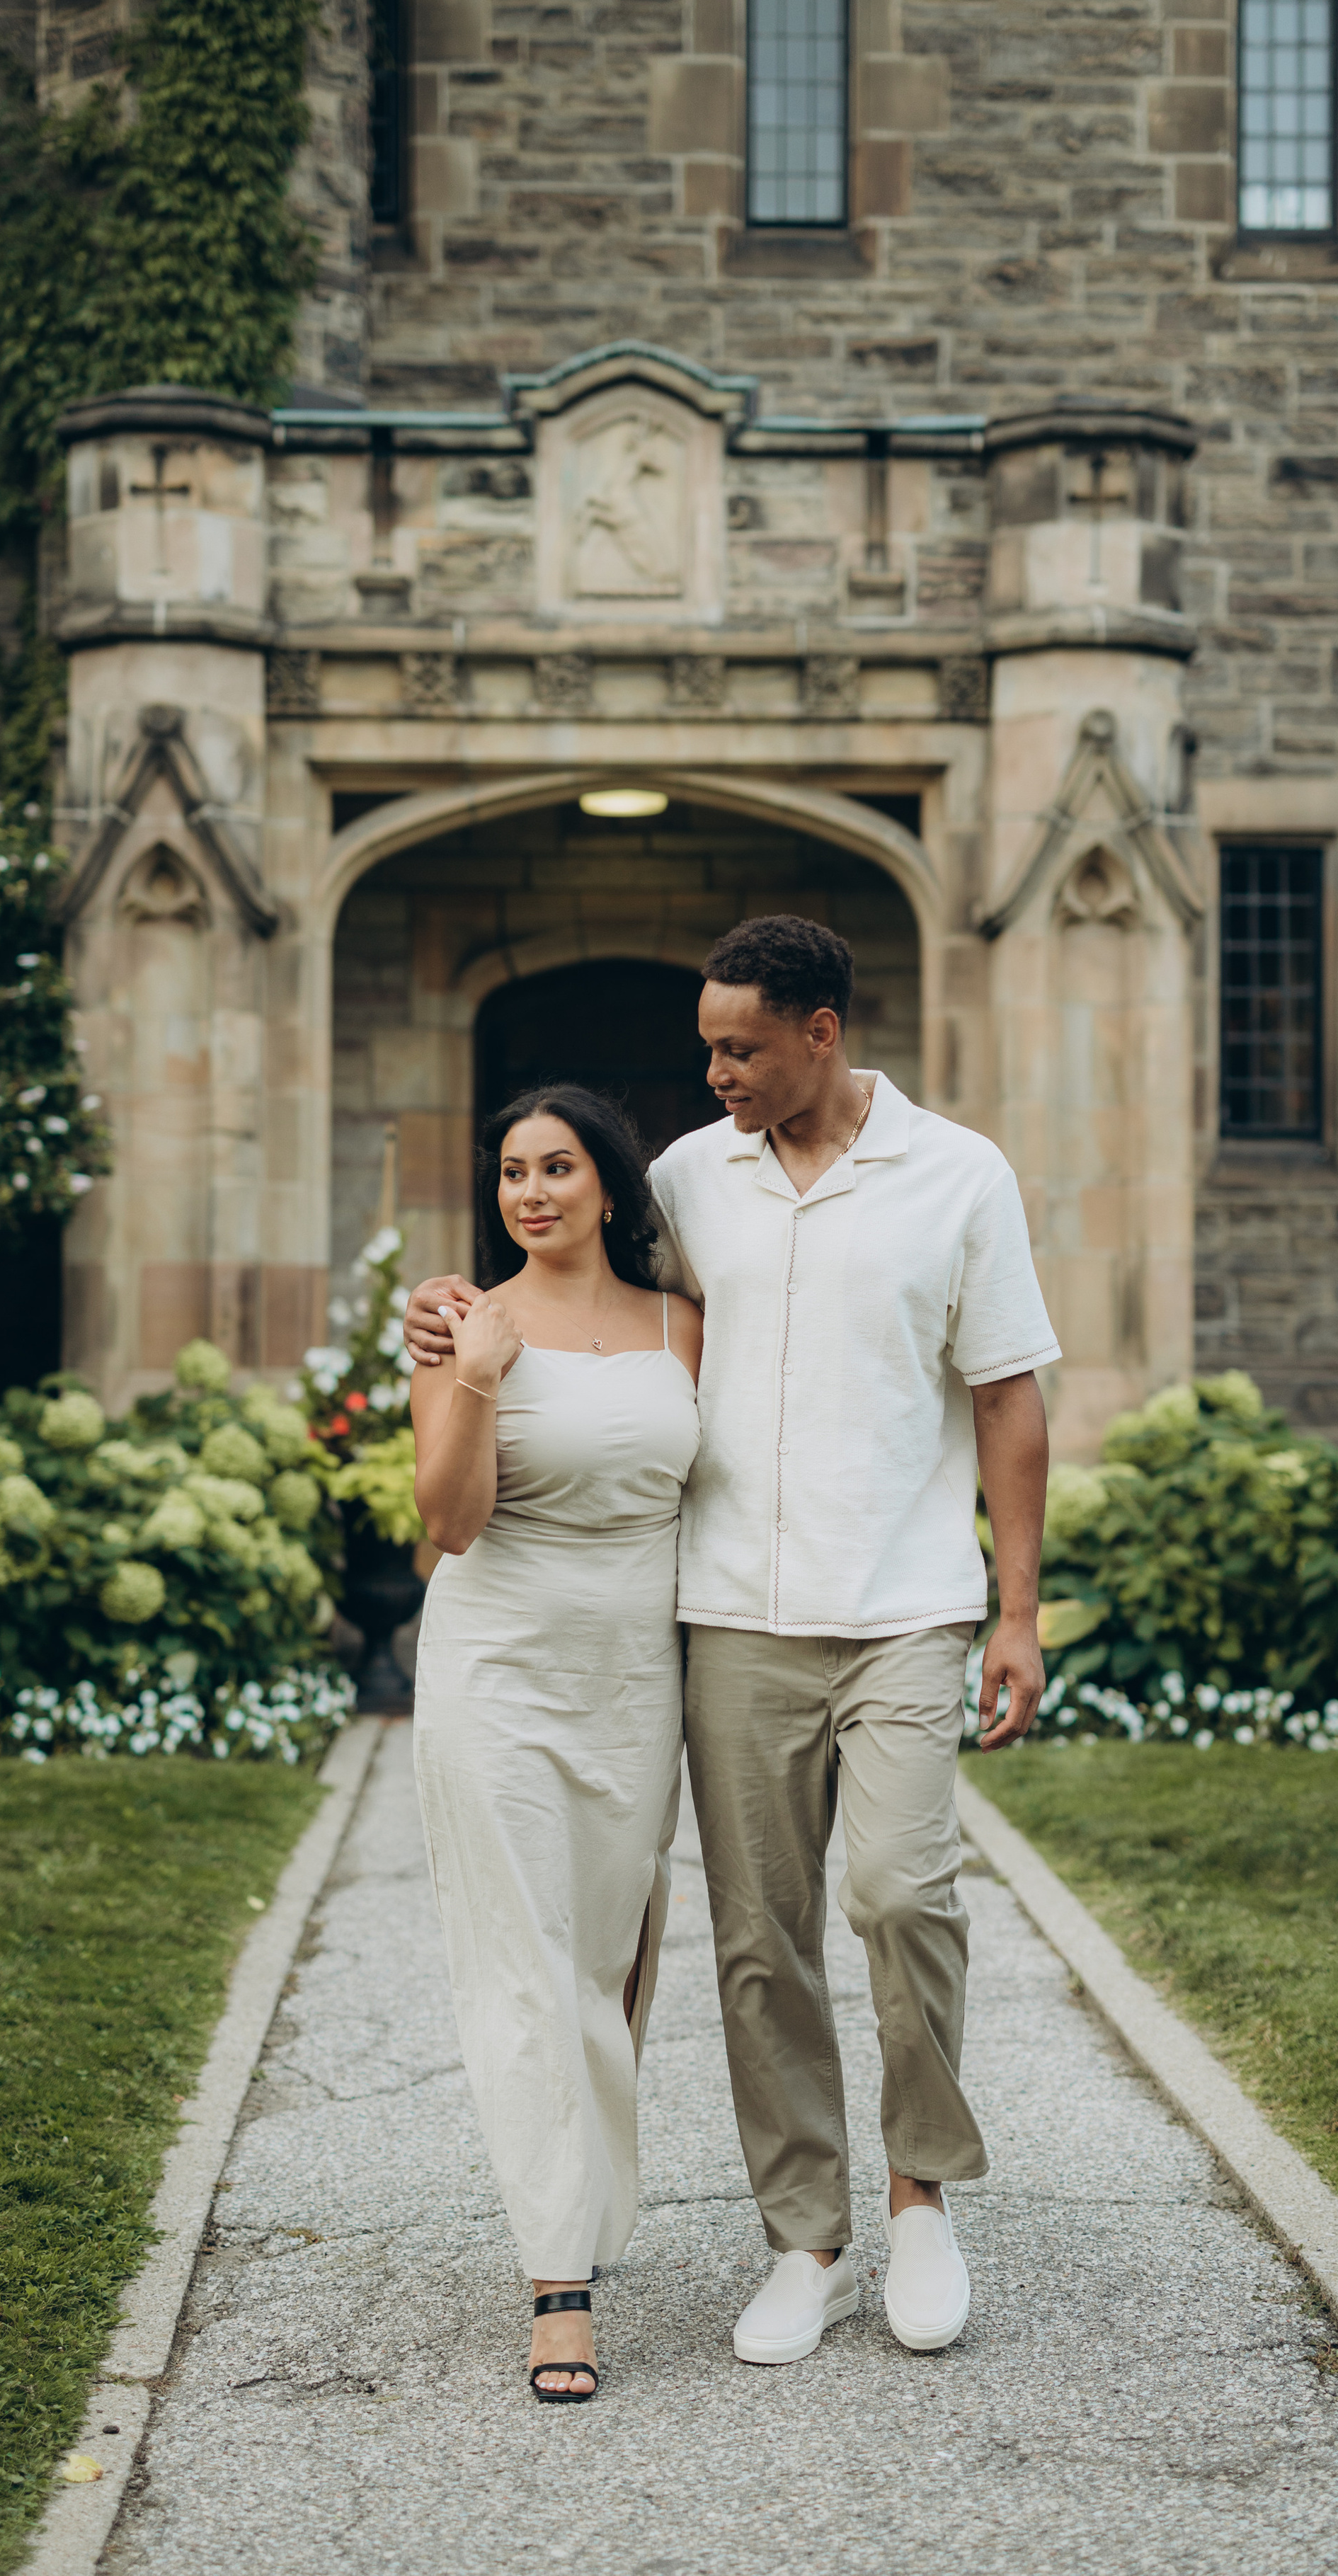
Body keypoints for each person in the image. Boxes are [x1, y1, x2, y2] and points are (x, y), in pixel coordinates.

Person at [408, 916, 1056, 2367]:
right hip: (728, 1617)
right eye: (706, 1046)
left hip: (901, 1604)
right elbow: (572, 1302)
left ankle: (918, 2200)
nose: (712, 1073)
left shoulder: (959, 1174)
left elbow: (1008, 1394)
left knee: (898, 1895)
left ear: (820, 1030)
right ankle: (805, 2241)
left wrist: (1016, 1610)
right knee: (757, 1948)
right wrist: (450, 1329)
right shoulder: (691, 1182)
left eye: (739, 1047)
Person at [408, 1083, 702, 2408]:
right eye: (514, 1172)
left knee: (604, 1960)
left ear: (609, 1183)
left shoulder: (685, 1327)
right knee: (522, 1963)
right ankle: (558, 2287)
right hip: (499, 1671)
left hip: (635, 1680)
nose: (531, 1192)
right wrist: (471, 1379)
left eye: (558, 1167)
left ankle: (586, 2196)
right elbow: (451, 1524)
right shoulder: (468, 1325)